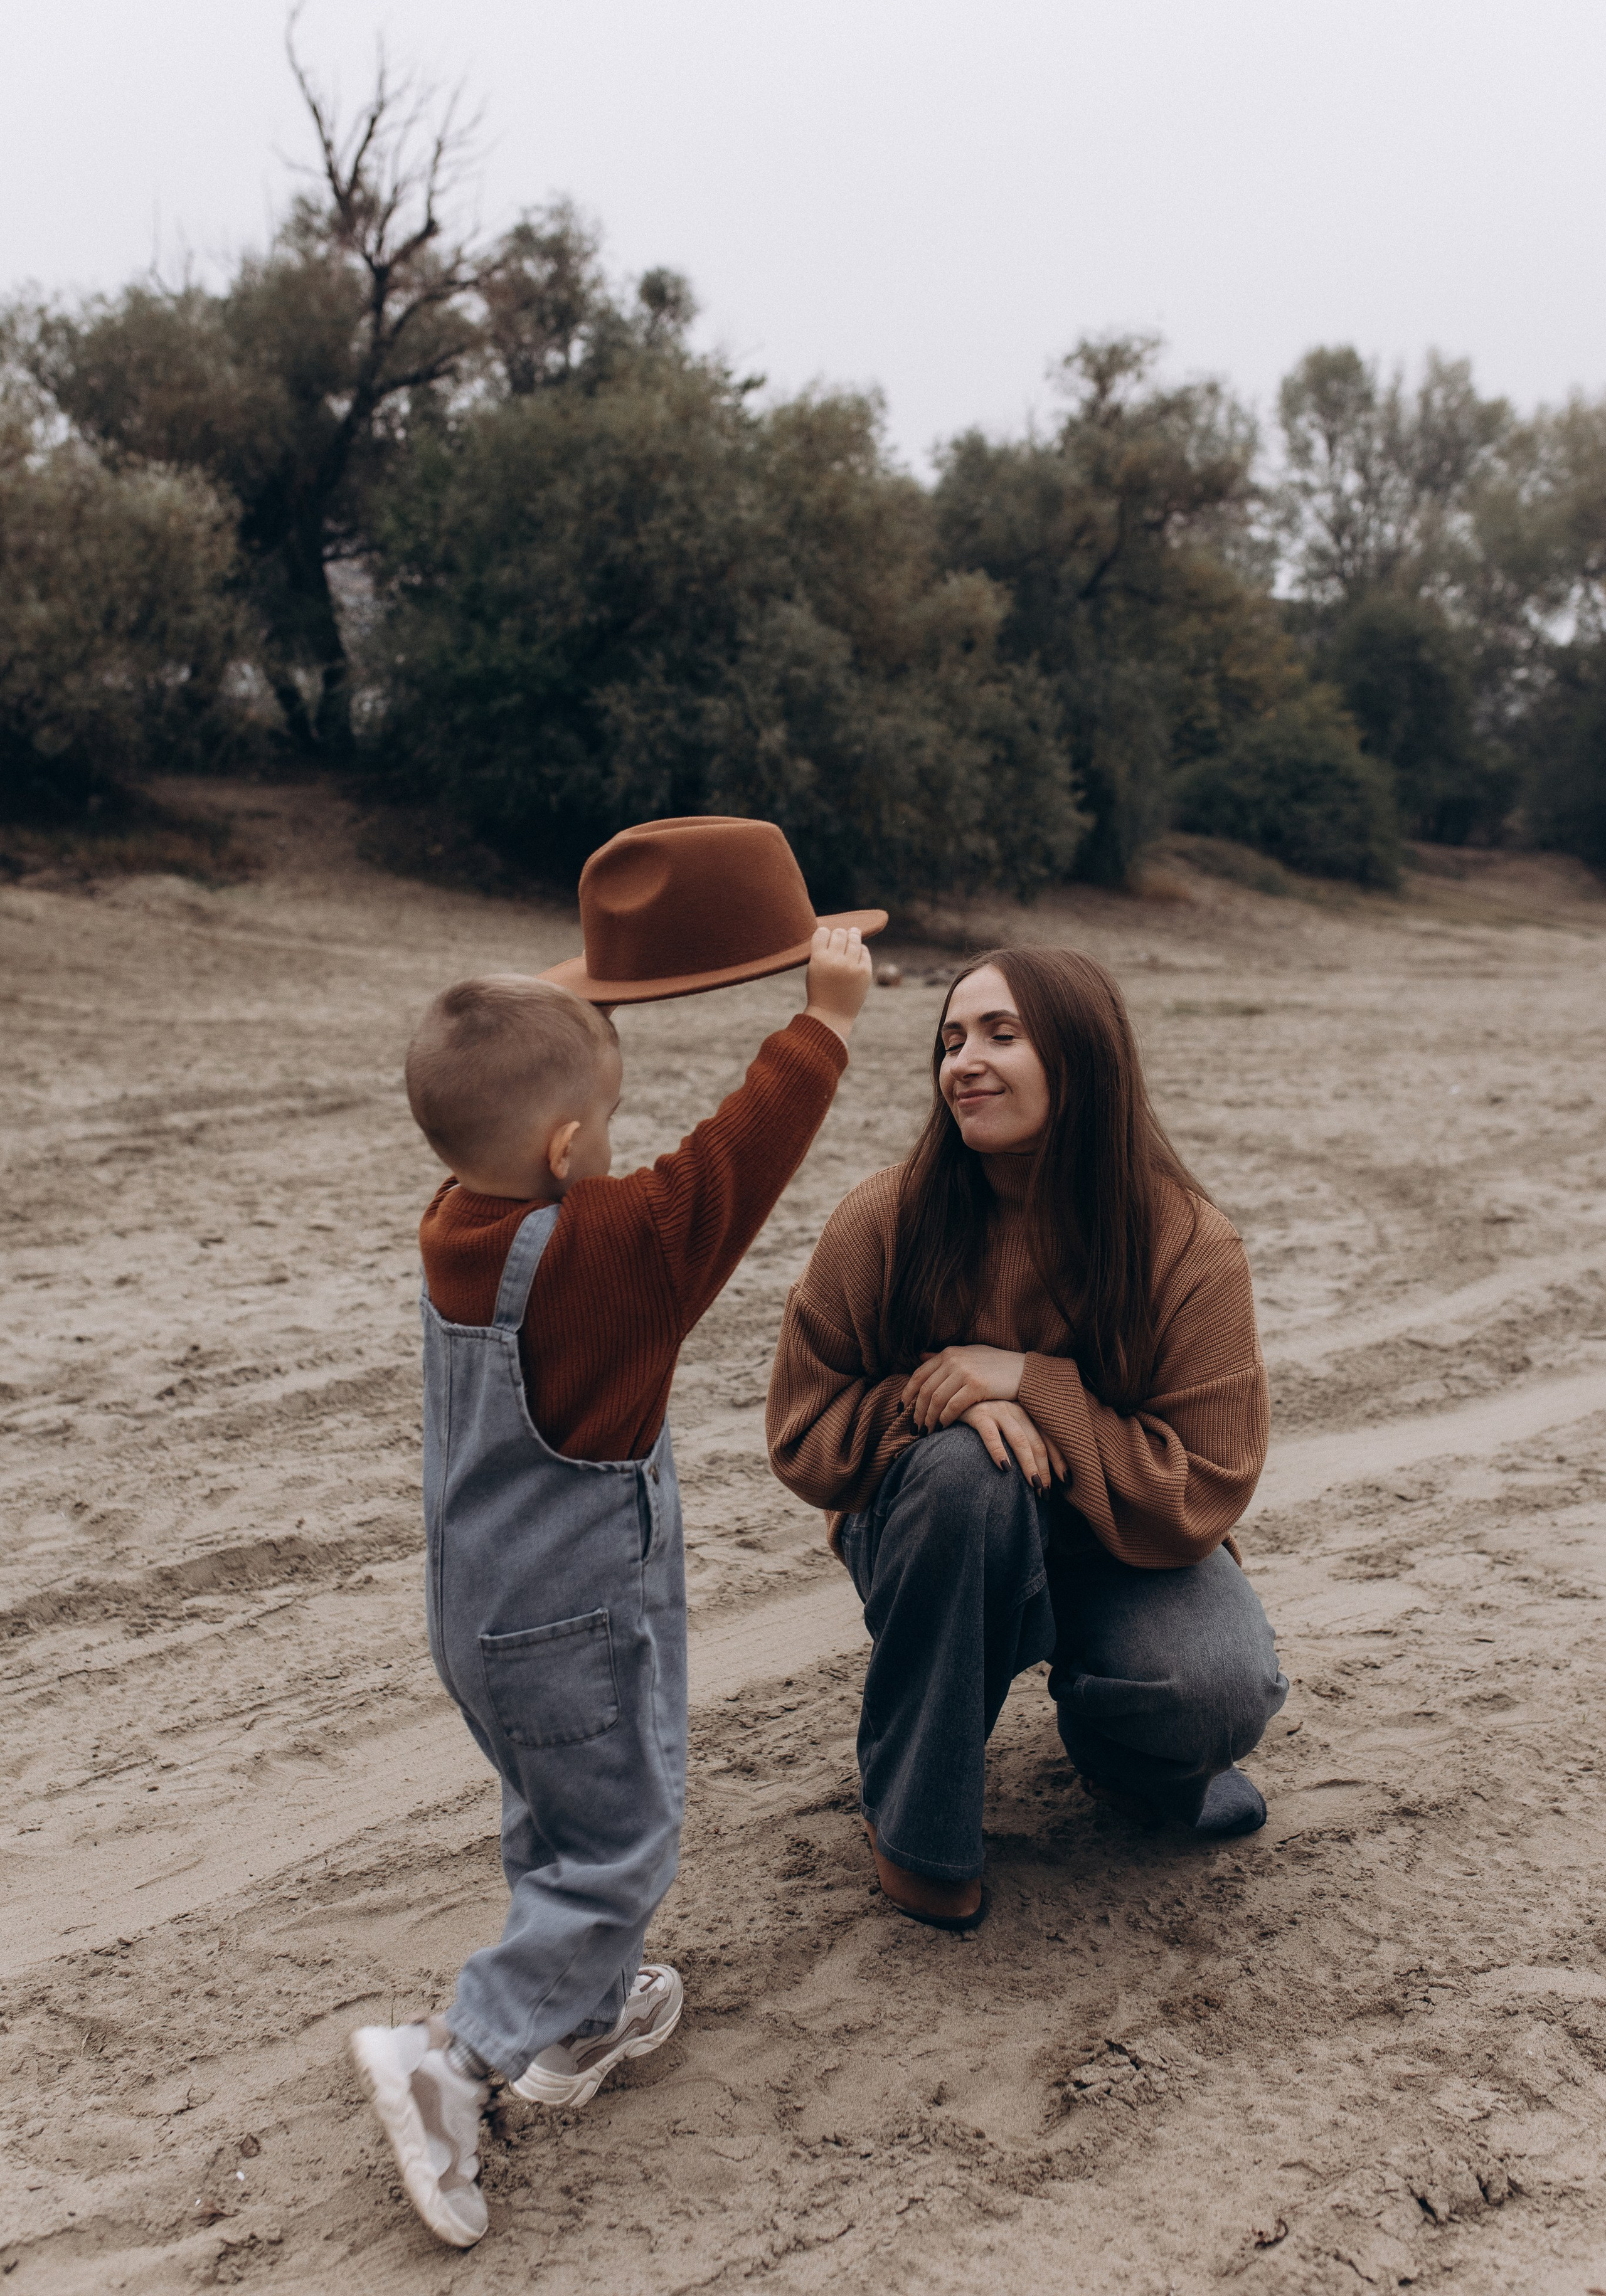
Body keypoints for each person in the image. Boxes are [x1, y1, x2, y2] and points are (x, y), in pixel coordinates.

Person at [352, 815, 880, 2248]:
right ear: (569, 1146)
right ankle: (453, 2056)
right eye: (606, 1125)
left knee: (557, 1818)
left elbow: (508, 1089)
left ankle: (583, 2020)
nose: (622, 1146)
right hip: (576, 1613)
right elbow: (729, 1168)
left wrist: (584, 1000)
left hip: (476, 1611)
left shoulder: (456, 1221)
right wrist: (822, 1024)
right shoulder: (608, 1255)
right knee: (620, 1848)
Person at [765, 944, 1284, 1931]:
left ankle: (1116, 1748)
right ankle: (915, 1823)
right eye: (951, 1040)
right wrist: (939, 1403)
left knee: (1220, 1691)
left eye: (1001, 1036)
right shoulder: (883, 1217)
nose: (964, 1062)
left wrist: (1031, 1383)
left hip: (1117, 1545)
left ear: (1083, 1057)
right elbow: (804, 1430)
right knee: (971, 1473)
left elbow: (1203, 1489)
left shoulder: (1189, 1243)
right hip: (937, 1535)